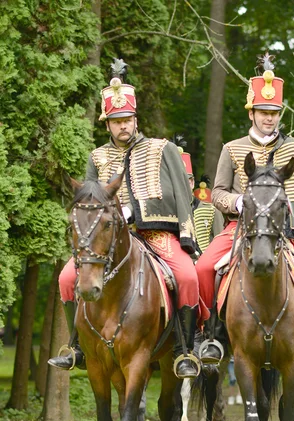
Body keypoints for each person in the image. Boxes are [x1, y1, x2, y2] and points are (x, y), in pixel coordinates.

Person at [49, 60, 200, 378]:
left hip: (155, 234)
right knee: (65, 279)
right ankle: (77, 346)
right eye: (116, 121)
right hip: (107, 240)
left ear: (136, 118)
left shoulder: (163, 149)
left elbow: (180, 197)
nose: (123, 126)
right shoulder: (97, 157)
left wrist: (136, 211)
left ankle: (185, 348)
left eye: (127, 119)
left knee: (187, 277)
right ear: (107, 124)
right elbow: (88, 199)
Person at [196, 52, 294, 366]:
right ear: (252, 113)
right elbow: (217, 191)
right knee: (204, 269)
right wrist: (235, 202)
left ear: (280, 113)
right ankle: (211, 336)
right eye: (263, 111)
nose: (269, 118)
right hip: (241, 230)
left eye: (274, 112)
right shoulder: (232, 149)